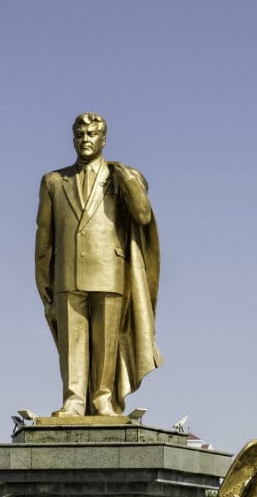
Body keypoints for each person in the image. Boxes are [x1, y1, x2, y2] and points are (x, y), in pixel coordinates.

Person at [35, 113, 162, 416]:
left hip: (109, 271)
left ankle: (103, 398)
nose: (86, 140)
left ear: (104, 140)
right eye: (80, 135)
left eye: (92, 134)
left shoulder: (121, 177)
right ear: (73, 139)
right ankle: (74, 400)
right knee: (72, 342)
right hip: (67, 273)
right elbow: (44, 237)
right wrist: (44, 285)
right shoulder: (54, 181)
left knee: (106, 342)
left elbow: (143, 216)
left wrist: (128, 181)